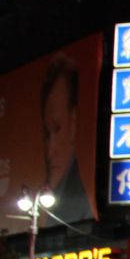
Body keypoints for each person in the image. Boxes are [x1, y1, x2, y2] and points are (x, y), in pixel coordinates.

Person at [38, 54, 93, 225]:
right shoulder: (55, 199)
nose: (50, 149)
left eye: (57, 128)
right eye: (47, 134)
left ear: (73, 123)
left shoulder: (81, 203)